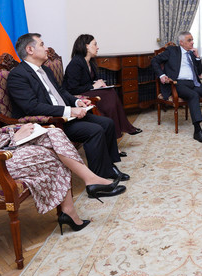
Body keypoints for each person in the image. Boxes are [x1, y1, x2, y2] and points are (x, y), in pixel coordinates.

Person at [0, 41, 125, 235]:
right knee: (51, 155)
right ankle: (72, 206)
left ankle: (88, 183)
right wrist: (14, 137)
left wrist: (19, 132)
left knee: (53, 132)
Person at [7, 33, 129, 181]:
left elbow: (61, 92)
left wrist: (77, 102)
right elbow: (32, 107)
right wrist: (69, 110)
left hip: (65, 116)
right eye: (42, 44)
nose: (46, 48)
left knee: (107, 123)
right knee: (95, 130)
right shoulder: (18, 75)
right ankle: (98, 179)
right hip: (51, 122)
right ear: (30, 50)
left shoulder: (45, 70)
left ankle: (109, 167)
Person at [63, 34, 143, 152]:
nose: (98, 47)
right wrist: (93, 86)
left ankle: (120, 132)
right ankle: (117, 136)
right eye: (95, 44)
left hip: (87, 91)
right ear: (86, 46)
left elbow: (92, 81)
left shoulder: (90, 62)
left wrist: (99, 83)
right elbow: (72, 89)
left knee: (110, 92)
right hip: (75, 96)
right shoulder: (76, 63)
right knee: (108, 97)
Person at [151, 31, 202, 144]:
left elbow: (199, 72)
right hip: (177, 84)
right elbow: (154, 60)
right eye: (189, 40)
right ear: (181, 42)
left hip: (193, 83)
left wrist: (197, 57)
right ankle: (197, 131)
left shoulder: (191, 54)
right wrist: (161, 75)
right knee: (193, 95)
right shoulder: (172, 51)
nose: (192, 42)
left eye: (192, 40)